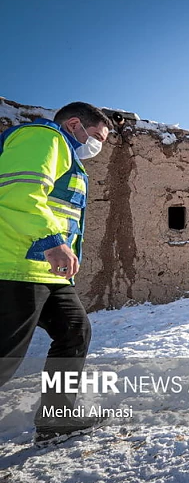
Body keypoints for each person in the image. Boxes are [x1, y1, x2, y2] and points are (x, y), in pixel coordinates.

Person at [0, 102, 112, 444]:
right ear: (74, 124)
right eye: (96, 136)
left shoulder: (67, 153)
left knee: (75, 332)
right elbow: (20, 193)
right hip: (17, 265)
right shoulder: (43, 138)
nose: (98, 146)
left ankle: (55, 419)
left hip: (47, 272)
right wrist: (51, 241)